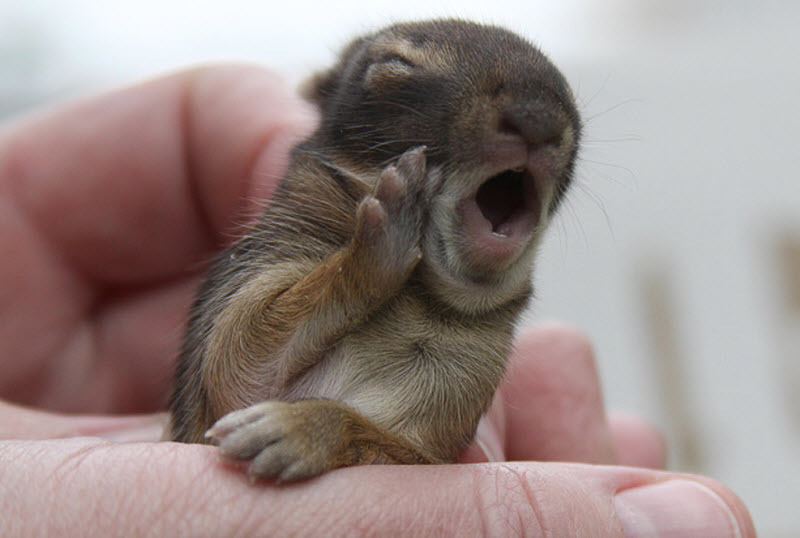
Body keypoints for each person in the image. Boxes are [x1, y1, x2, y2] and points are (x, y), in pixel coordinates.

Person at [0, 65, 754, 536]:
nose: (533, 127)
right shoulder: (303, 226)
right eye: (400, 72)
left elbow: (415, 462)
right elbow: (238, 386)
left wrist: (341, 433)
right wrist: (354, 278)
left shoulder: (473, 346)